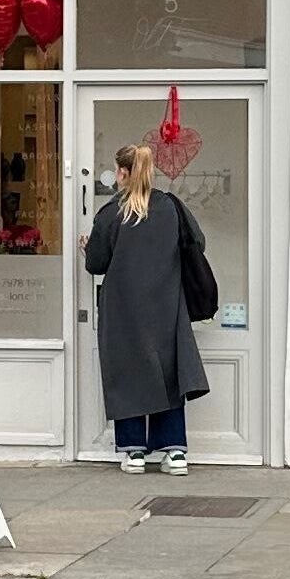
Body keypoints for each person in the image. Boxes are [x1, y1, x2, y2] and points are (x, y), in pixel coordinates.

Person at [83, 143, 209, 475]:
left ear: (122, 172)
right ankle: (175, 452)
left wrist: (86, 247)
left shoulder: (111, 213)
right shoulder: (171, 207)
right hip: (167, 304)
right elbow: (197, 244)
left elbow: (96, 263)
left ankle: (134, 451)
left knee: (127, 375)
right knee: (168, 372)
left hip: (123, 308)